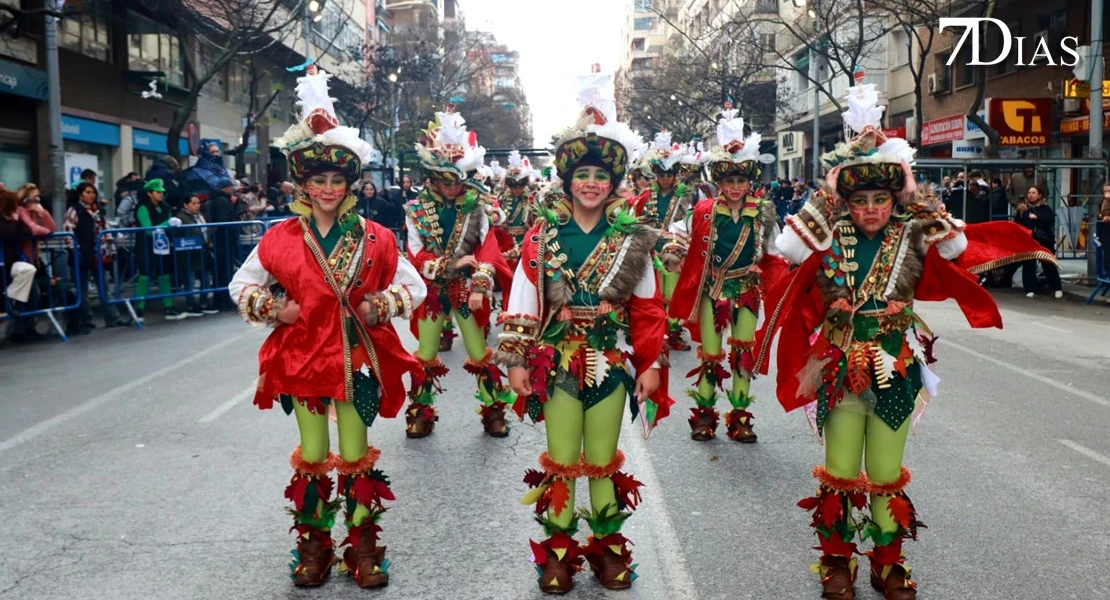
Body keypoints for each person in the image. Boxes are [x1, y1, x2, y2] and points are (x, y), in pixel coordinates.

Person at [760, 84, 1056, 600]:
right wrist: (826, 196)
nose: (871, 209)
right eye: (859, 200)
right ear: (845, 201)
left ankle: (888, 562)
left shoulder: (912, 231)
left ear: (893, 197)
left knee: (886, 471)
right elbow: (785, 248)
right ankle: (836, 564)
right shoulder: (831, 232)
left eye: (880, 198)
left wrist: (918, 197)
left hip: (895, 364)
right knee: (840, 469)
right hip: (837, 363)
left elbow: (960, 247)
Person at [229, 67, 426, 589]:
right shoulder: (279, 238)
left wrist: (380, 307)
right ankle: (313, 547)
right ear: (302, 184)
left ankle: (363, 549)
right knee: (314, 455)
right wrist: (276, 310)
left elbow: (416, 288)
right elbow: (240, 285)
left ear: (351, 184)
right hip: (301, 360)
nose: (328, 189)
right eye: (319, 181)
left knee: (356, 452)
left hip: (355, 359)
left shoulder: (378, 237)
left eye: (338, 181)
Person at [495, 68, 670, 594]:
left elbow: (647, 308)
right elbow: (522, 301)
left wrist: (653, 365)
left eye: (601, 176)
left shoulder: (634, 237)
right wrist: (518, 360)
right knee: (560, 459)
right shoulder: (542, 235)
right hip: (556, 361)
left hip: (610, 363)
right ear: (567, 180)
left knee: (602, 460)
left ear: (613, 183)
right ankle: (557, 553)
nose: (591, 183)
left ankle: (609, 550)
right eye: (582, 175)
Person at [664, 103, 785, 443]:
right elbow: (676, 233)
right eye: (729, 180)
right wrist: (673, 252)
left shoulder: (762, 213)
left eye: (741, 180)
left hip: (746, 287)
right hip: (711, 289)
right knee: (711, 353)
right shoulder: (703, 210)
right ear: (718, 181)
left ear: (750, 182)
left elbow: (776, 250)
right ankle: (704, 416)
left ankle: (740, 416)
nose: (735, 187)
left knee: (743, 351)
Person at [403, 105, 513, 438]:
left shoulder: (478, 207)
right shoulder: (416, 210)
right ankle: (421, 412)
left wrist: (480, 283)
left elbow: (488, 247)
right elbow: (415, 253)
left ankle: (493, 411)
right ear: (432, 176)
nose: (451, 187)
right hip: (434, 291)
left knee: (479, 353)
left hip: (466, 289)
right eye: (444, 179)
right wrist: (449, 264)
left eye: (456, 179)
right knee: (425, 354)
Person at [634, 130, 695, 351]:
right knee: (653, 293)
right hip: (649, 249)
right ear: (656, 174)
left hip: (674, 250)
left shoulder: (684, 196)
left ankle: (674, 333)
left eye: (670, 175)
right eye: (662, 175)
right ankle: (658, 333)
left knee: (672, 294)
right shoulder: (645, 196)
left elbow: (689, 222)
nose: (666, 179)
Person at [63, 182, 128, 331]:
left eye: (93, 192)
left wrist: (110, 246)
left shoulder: (98, 210)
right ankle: (87, 320)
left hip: (99, 254)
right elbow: (68, 231)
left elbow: (105, 228)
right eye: (87, 192)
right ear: (80, 194)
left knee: (104, 287)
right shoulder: (74, 211)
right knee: (82, 290)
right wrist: (75, 249)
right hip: (81, 254)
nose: (91, 195)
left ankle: (112, 317)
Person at [133, 179, 185, 321]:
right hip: (146, 246)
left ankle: (168, 307)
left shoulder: (165, 207)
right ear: (149, 193)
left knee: (165, 275)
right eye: (158, 192)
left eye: (162, 192)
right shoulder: (142, 207)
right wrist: (167, 223)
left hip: (163, 244)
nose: (161, 195)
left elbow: (167, 225)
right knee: (145, 276)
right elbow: (148, 229)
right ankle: (139, 310)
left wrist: (172, 225)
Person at [1015, 184, 1063, 299]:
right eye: (1029, 193)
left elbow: (1050, 220)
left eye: (1034, 193)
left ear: (1039, 195)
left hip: (1044, 241)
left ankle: (1056, 287)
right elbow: (1018, 224)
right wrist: (1020, 213)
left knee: (1048, 264)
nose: (1031, 195)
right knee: (1028, 265)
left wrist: (1037, 218)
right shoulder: (1025, 209)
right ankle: (1030, 288)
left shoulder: (1045, 208)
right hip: (1030, 240)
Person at [206, 177, 239, 311]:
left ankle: (221, 297)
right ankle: (223, 298)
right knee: (224, 269)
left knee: (223, 268)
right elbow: (223, 219)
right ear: (228, 188)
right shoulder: (222, 201)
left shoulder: (217, 200)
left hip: (222, 239)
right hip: (224, 239)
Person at [174, 195, 210, 317]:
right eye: (194, 203)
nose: (197, 206)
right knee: (190, 279)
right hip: (188, 252)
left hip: (202, 251)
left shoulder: (199, 216)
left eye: (198, 203)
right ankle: (191, 304)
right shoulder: (180, 217)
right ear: (186, 205)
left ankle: (204, 302)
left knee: (205, 278)